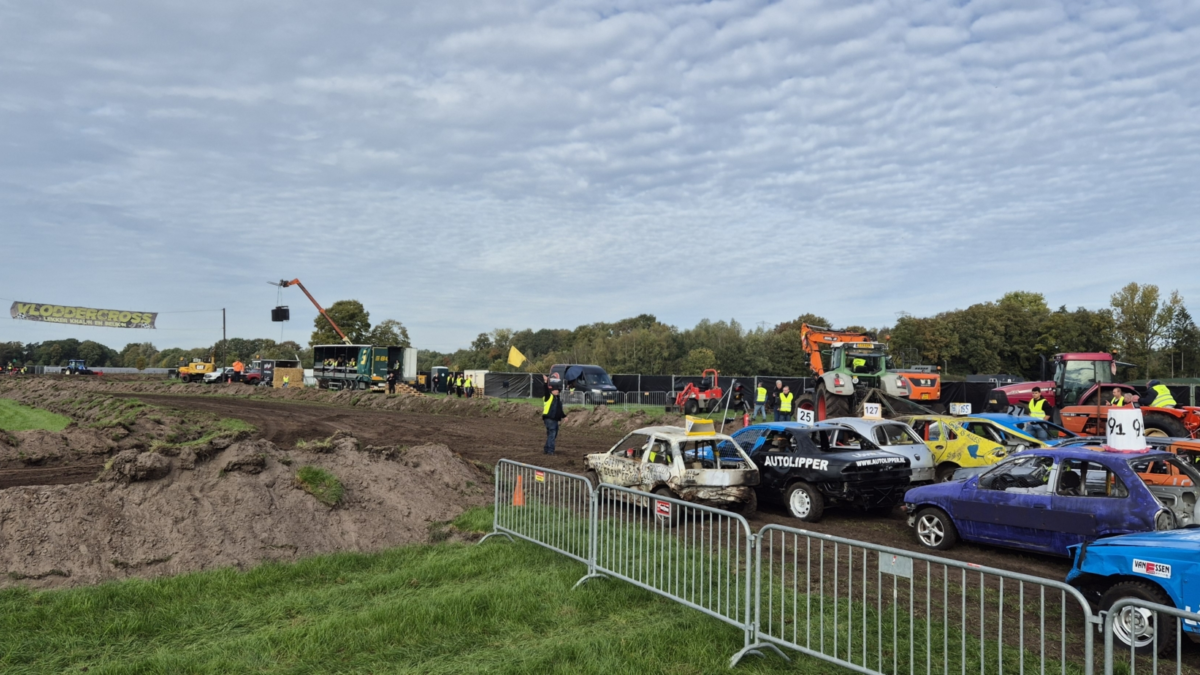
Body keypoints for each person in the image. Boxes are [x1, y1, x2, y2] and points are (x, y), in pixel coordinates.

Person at [541, 375, 567, 455]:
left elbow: (559, 410)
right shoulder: (548, 397)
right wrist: (545, 382)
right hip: (549, 418)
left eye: (558, 390)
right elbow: (546, 390)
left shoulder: (557, 399)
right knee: (552, 434)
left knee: (552, 435)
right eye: (555, 390)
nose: (557, 391)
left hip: (554, 419)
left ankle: (546, 449)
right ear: (552, 391)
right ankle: (550, 451)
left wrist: (564, 416)